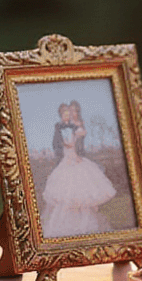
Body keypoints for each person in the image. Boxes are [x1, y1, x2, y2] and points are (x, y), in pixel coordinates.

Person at [39, 100, 116, 237]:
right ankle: (68, 225)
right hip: (68, 160)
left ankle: (84, 225)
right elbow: (59, 143)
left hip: (77, 158)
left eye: (73, 111)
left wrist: (77, 153)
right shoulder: (63, 126)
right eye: (69, 111)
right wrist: (66, 149)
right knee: (67, 192)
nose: (71, 114)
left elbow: (79, 143)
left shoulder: (77, 125)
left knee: (82, 190)